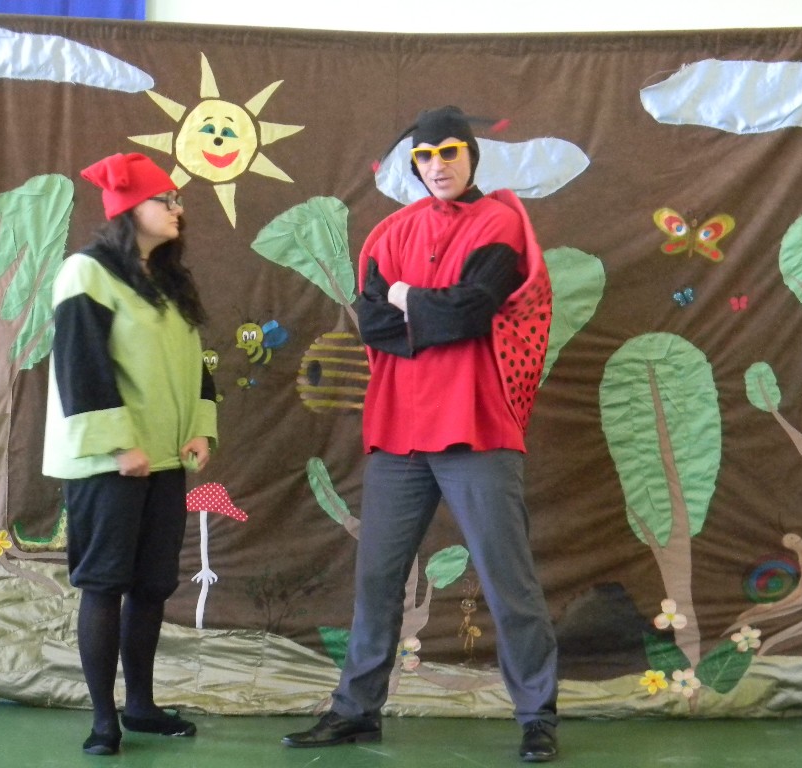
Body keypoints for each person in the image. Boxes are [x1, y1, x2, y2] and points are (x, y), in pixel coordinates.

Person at [282, 106, 559, 762]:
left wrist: (408, 299)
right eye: (426, 155)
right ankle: (355, 711)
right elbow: (374, 325)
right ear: (414, 164)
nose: (438, 165)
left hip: (477, 426)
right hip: (399, 432)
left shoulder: (499, 223)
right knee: (378, 581)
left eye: (450, 151)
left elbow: (474, 312)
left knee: (508, 579)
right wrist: (428, 310)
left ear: (470, 156)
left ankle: (537, 716)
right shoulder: (388, 235)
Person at [42, 152, 218, 756]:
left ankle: (140, 706)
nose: (177, 209)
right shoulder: (85, 273)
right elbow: (80, 364)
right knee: (104, 584)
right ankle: (103, 720)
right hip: (109, 463)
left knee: (151, 586)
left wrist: (200, 428)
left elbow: (195, 363)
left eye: (177, 200)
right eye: (166, 199)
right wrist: (119, 444)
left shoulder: (168, 281)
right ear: (129, 208)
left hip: (164, 460)